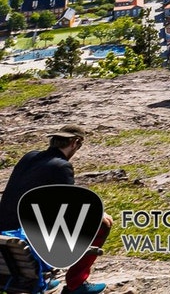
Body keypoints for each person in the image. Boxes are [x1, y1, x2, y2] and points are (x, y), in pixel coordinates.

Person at [0, 125, 110, 294]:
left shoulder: (29, 157)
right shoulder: (61, 166)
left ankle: (45, 278)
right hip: (24, 239)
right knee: (103, 224)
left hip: (4, 231)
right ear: (74, 143)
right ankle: (76, 284)